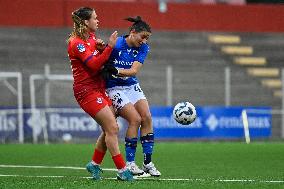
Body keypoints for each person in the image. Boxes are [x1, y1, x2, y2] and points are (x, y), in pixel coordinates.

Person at [67, 7, 133, 181]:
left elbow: (99, 59)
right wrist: (110, 47)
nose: (98, 21)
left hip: (98, 88)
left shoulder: (91, 39)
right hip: (86, 91)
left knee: (108, 129)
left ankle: (94, 164)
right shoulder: (76, 43)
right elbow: (95, 65)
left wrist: (102, 48)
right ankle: (122, 170)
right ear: (86, 22)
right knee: (112, 128)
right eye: (95, 18)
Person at [102, 16, 161, 177]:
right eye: (143, 36)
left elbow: (134, 71)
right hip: (113, 88)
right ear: (133, 32)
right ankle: (130, 164)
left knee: (147, 117)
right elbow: (101, 59)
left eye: (147, 38)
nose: (144, 41)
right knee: (135, 119)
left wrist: (115, 70)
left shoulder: (143, 48)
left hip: (131, 85)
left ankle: (147, 163)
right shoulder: (117, 44)